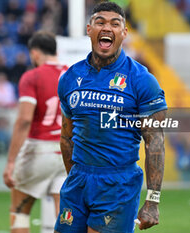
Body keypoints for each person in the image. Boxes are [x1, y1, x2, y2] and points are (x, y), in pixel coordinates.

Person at [54, 2, 167, 233]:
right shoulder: (70, 78)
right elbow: (67, 137)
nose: (107, 28)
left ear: (124, 33)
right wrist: (75, 178)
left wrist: (153, 200)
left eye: (115, 24)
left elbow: (155, 142)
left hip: (118, 184)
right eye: (100, 22)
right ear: (89, 29)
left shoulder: (141, 80)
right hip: (79, 179)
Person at [3, 31, 67, 233]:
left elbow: (24, 120)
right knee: (65, 216)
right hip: (67, 151)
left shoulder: (32, 76)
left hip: (39, 149)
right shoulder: (72, 74)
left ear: (35, 53)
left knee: (20, 212)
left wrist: (11, 161)